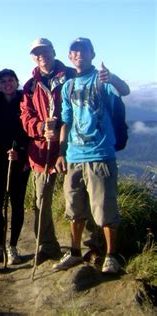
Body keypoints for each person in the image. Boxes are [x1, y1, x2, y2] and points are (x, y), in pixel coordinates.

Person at [20, 38, 130, 264]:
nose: (41, 55)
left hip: (90, 151)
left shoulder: (86, 77)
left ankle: (103, 252)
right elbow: (42, 118)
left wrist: (113, 78)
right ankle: (62, 249)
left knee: (98, 205)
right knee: (63, 206)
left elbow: (123, 91)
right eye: (36, 52)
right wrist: (48, 137)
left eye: (45, 51)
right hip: (59, 153)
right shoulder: (41, 85)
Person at [53, 38, 127, 274]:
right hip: (74, 156)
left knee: (105, 209)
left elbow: (124, 90)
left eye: (83, 51)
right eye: (74, 51)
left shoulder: (101, 79)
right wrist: (61, 152)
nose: (78, 54)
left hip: (100, 154)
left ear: (92, 54)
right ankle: (74, 253)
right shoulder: (68, 86)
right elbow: (66, 121)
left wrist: (112, 78)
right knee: (75, 208)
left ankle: (111, 256)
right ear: (69, 56)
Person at [0, 69, 30, 265]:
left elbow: (31, 133)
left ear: (17, 82)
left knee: (17, 204)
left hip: (18, 162)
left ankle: (12, 246)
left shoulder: (26, 102)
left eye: (11, 80)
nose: (7, 84)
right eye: (3, 81)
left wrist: (22, 153)